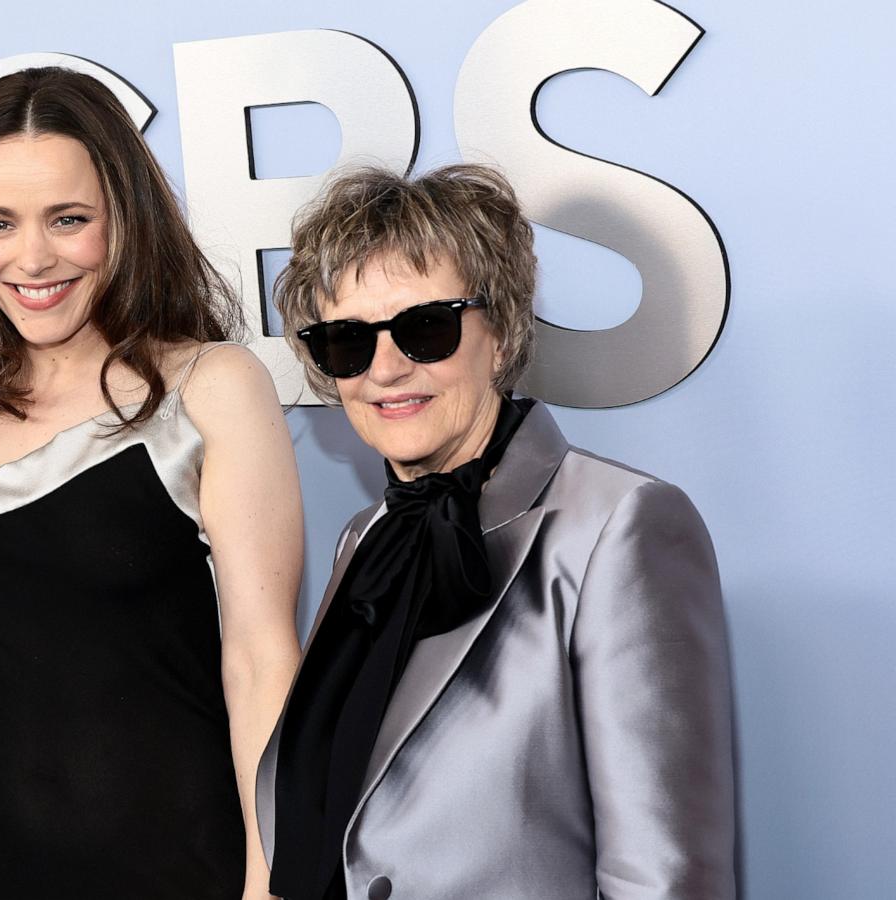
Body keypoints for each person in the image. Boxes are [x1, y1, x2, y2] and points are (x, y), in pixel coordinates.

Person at [256, 164, 736, 900]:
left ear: (503, 330)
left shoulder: (618, 527)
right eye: (347, 342)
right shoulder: (366, 538)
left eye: (425, 329)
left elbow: (666, 878)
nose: (385, 369)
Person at [0, 67, 303, 900]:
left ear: (124, 220)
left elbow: (262, 661)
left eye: (69, 219)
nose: (32, 257)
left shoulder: (212, 385)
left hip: (187, 867)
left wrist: (271, 883)